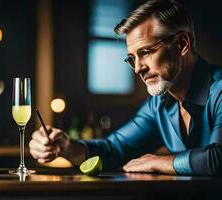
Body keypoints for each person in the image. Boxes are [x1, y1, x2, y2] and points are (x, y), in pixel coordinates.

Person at [29, 0, 222, 176]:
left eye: (146, 52)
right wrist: (67, 147)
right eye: (132, 58)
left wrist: (160, 162)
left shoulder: (219, 90)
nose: (138, 68)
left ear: (181, 44)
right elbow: (114, 149)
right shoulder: (159, 105)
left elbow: (218, 158)